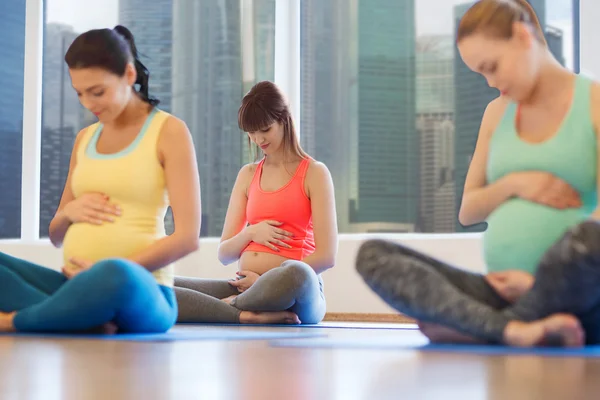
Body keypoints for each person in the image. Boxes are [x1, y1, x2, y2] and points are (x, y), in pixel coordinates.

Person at [355, 0, 600, 348]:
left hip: (579, 296)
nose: (491, 82)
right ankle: (514, 329)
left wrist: (535, 284)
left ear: (521, 36)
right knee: (374, 255)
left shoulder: (593, 102)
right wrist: (516, 184)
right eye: (480, 73)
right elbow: (469, 210)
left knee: (590, 240)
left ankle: (482, 327)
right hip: (500, 290)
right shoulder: (496, 113)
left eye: (493, 67)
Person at [0, 25, 201, 334]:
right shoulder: (84, 139)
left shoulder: (169, 132)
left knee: (114, 273)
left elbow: (187, 238)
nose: (88, 104)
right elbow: (56, 235)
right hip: (71, 285)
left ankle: (14, 321)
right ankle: (86, 318)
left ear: (129, 75)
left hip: (140, 289)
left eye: (97, 92)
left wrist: (100, 273)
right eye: (80, 93)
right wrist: (69, 213)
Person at [174, 81, 338, 325]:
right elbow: (225, 254)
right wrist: (252, 232)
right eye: (250, 132)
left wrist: (262, 282)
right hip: (245, 286)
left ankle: (227, 308)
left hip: (296, 290)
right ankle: (247, 312)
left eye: (264, 129)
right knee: (163, 283)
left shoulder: (315, 173)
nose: (257, 139)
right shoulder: (248, 174)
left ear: (284, 120)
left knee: (297, 274)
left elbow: (326, 257)